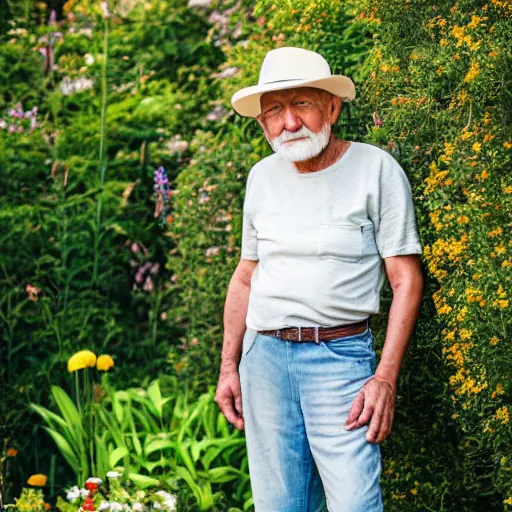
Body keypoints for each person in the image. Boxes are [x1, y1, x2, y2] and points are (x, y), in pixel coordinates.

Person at [214, 46, 424, 512]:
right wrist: (229, 367)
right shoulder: (261, 177)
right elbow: (246, 277)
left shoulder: (376, 169)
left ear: (332, 106)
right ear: (262, 123)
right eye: (275, 110)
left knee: (355, 504)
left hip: (340, 359)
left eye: (302, 104)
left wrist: (385, 378)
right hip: (263, 359)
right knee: (280, 505)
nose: (290, 123)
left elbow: (405, 280)